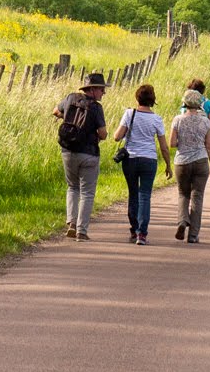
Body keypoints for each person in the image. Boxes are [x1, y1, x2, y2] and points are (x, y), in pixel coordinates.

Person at [111, 82, 172, 245]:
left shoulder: (129, 114)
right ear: (153, 100)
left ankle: (134, 228)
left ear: (137, 98)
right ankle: (142, 234)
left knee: (133, 193)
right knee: (145, 195)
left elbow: (117, 136)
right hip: (149, 160)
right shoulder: (157, 119)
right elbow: (164, 146)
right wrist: (168, 165)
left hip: (130, 159)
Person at [53, 71, 109, 237]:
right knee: (87, 192)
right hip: (89, 154)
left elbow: (55, 111)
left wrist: (68, 118)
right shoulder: (97, 108)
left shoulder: (71, 98)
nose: (103, 92)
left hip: (68, 151)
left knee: (72, 187)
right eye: (101, 89)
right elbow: (103, 133)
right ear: (92, 89)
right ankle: (81, 231)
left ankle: (71, 222)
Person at [170, 85, 210, 242]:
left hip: (182, 161)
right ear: (199, 104)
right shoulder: (205, 122)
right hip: (201, 161)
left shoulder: (177, 120)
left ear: (185, 103)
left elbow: (172, 143)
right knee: (198, 196)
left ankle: (182, 221)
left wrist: (183, 141)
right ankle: (193, 235)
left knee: (183, 193)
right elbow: (209, 146)